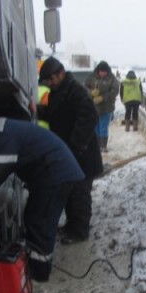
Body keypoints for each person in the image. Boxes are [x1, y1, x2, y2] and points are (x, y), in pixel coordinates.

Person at [0, 118, 84, 282]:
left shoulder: (1, 137)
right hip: (56, 171)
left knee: (40, 222)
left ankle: (39, 273)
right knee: (34, 217)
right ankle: (36, 267)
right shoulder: (3, 129)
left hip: (55, 174)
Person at [38, 56, 103, 245]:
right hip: (69, 153)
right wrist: (39, 112)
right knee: (69, 191)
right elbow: (55, 113)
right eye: (47, 81)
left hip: (81, 154)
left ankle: (80, 231)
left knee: (80, 194)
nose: (49, 84)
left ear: (61, 73)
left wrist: (76, 146)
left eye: (51, 79)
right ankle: (71, 225)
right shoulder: (58, 91)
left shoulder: (76, 91)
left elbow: (90, 116)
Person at [85, 60, 119, 152]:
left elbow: (114, 92)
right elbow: (85, 87)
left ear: (107, 71)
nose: (103, 73)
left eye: (104, 72)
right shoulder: (91, 77)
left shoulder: (112, 79)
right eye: (101, 71)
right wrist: (91, 93)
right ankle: (96, 145)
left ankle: (103, 146)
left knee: (103, 127)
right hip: (94, 108)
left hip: (106, 108)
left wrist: (102, 98)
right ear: (98, 71)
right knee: (95, 127)